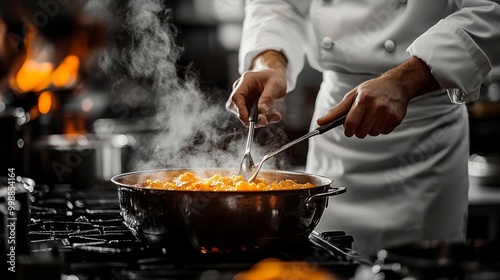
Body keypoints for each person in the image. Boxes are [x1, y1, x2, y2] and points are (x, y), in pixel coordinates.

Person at [226, 0, 500, 256]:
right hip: (336, 131)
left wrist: (404, 82)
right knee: (326, 260)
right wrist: (269, 64)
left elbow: (489, 10)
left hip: (425, 134)